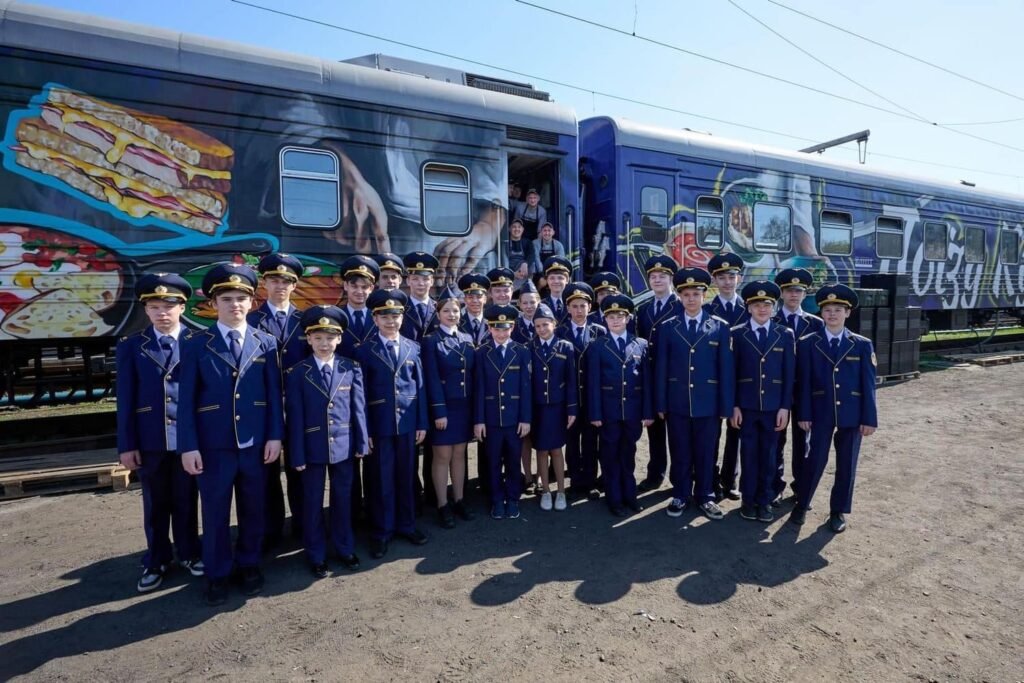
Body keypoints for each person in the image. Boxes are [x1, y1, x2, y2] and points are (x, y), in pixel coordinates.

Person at [178, 263, 284, 606]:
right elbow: (186, 402)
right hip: (213, 447)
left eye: (241, 298)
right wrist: (188, 446)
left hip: (254, 444)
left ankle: (250, 564)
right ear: (213, 303)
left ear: (252, 302)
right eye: (226, 299)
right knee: (215, 513)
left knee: (254, 509)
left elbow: (272, 395)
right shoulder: (196, 343)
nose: (234, 304)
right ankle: (217, 573)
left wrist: (274, 437)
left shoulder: (266, 342)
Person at [116, 273, 202, 593]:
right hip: (151, 440)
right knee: (154, 504)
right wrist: (127, 445)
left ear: (182, 307)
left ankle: (190, 554)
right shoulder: (132, 346)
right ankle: (156, 560)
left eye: (169, 305)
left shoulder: (198, 342)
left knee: (186, 500)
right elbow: (125, 400)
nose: (162, 312)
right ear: (146, 310)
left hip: (187, 441)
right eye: (154, 306)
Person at [285, 306, 368, 578]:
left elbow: (358, 409)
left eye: (330, 338)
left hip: (344, 447)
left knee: (343, 501)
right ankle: (316, 554)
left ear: (340, 339)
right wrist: (295, 454)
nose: (324, 343)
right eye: (318, 338)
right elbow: (294, 418)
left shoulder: (351, 367)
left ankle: (345, 548)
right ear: (308, 339)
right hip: (311, 449)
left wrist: (362, 442)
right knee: (312, 504)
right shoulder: (297, 373)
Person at [791, 284, 878, 534]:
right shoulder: (808, 343)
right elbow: (804, 382)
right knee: (814, 460)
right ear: (820, 312)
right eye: (827, 310)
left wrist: (869, 418)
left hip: (852, 414)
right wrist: (804, 413)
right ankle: (802, 504)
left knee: (846, 464)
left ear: (848, 313)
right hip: (819, 412)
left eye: (838, 310)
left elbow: (868, 384)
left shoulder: (862, 344)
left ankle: (838, 510)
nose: (832, 314)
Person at [654, 267, 734, 521]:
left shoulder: (719, 327)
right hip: (677, 402)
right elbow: (661, 368)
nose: (691, 299)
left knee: (706, 451)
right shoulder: (668, 327)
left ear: (704, 295)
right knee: (680, 451)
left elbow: (725, 370)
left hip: (708, 404)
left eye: (696, 294)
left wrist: (726, 406)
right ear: (679, 296)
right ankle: (680, 494)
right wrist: (661, 402)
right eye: (686, 294)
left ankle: (706, 495)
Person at [354, 289, 429, 558]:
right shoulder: (364, 350)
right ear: (374, 319)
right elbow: (359, 396)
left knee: (407, 476)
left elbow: (420, 388)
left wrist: (422, 422)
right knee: (380, 479)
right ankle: (381, 531)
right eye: (384, 315)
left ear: (402, 317)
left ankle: (407, 525)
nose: (391, 320)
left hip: (407, 424)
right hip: (379, 426)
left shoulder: (412, 347)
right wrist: (365, 432)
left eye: (396, 315)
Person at [248, 252, 306, 549]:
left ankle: (301, 523)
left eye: (286, 281)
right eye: (274, 279)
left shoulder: (306, 320)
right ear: (264, 283)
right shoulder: (250, 320)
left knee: (299, 467)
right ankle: (271, 530)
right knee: (266, 469)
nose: (280, 285)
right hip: (264, 408)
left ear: (294, 285)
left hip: (298, 408)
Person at [729, 281, 795, 524]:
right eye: (756, 304)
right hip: (746, 407)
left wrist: (785, 407)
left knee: (770, 455)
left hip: (773, 408)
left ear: (774, 306)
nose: (762, 309)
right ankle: (748, 501)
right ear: (748, 308)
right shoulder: (737, 334)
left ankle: (765, 501)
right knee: (748, 454)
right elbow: (731, 374)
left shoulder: (784, 334)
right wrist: (734, 405)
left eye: (767, 304)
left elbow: (789, 375)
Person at [586, 294, 653, 517]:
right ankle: (614, 499)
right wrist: (595, 412)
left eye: (620, 316)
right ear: (605, 319)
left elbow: (646, 382)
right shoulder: (597, 346)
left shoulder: (640, 344)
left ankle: (629, 496)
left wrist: (647, 412)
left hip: (632, 412)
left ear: (628, 318)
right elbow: (593, 383)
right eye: (611, 316)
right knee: (609, 454)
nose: (615, 320)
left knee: (629, 454)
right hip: (608, 412)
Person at [422, 286, 476, 528]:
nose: (452, 314)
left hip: (464, 407)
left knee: (459, 455)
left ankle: (460, 499)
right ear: (438, 313)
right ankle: (442, 504)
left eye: (455, 310)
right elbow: (432, 378)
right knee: (442, 455)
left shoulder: (467, 339)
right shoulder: (431, 341)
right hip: (445, 408)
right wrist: (439, 411)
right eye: (447, 310)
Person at [474, 304, 532, 520]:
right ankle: (497, 500)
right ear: (489, 328)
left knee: (513, 460)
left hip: (515, 418)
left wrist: (526, 418)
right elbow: (479, 388)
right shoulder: (481, 352)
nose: (501, 333)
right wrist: (478, 420)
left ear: (512, 327)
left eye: (505, 328)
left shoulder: (522, 351)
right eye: (496, 328)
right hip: (491, 418)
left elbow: (526, 388)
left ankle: (513, 498)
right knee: (493, 461)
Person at [771, 267, 824, 502]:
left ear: (805, 294)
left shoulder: (815, 324)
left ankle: (802, 487)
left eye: (799, 291)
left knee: (804, 441)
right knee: (775, 440)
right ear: (781, 293)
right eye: (789, 290)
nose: (794, 295)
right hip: (778, 390)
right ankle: (775, 486)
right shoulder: (770, 321)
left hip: (806, 392)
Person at [635, 254, 682, 493]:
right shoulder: (643, 309)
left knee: (676, 431)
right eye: (653, 277)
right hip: (651, 377)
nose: (657, 280)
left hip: (674, 377)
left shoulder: (681, 306)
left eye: (662, 276)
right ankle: (656, 472)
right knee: (654, 430)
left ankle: (679, 476)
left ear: (671, 279)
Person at [704, 252, 748, 502]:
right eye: (722, 277)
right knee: (712, 435)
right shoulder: (708, 310)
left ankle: (730, 480)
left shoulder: (750, 308)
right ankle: (709, 480)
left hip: (742, 382)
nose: (728, 281)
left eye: (732, 276)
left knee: (736, 434)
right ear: (714, 281)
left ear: (739, 279)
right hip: (713, 383)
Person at [557, 282, 606, 500]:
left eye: (583, 306)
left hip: (592, 397)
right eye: (574, 306)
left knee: (590, 441)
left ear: (590, 307)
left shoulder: (600, 331)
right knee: (571, 441)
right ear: (568, 308)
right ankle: (575, 480)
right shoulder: (559, 331)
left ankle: (590, 481)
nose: (579, 310)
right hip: (568, 398)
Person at [528, 303, 577, 511]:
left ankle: (561, 492)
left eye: (545, 325)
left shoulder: (565, 347)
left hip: (557, 407)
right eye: (537, 326)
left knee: (556, 450)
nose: (541, 329)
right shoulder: (529, 347)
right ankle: (546, 491)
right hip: (537, 407)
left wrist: (572, 409)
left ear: (554, 324)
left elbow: (571, 380)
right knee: (540, 450)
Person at [513, 280, 540, 492]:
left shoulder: (547, 322)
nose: (529, 306)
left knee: (542, 434)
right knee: (524, 435)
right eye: (525, 302)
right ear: (519, 305)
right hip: (520, 387)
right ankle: (528, 475)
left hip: (542, 388)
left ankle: (540, 476)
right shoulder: (514, 326)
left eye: (533, 301)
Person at [339, 255, 381, 358]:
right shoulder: (337, 317)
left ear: (371, 288)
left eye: (364, 287)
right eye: (354, 286)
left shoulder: (381, 316)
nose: (359, 291)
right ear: (345, 286)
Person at [400, 251, 440, 342]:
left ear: (432, 282)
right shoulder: (400, 308)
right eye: (415, 279)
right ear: (408, 281)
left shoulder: (440, 309)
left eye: (425, 279)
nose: (421, 283)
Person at [457, 272, 491, 347]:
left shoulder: (492, 322)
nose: (475, 301)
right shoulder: (457, 323)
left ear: (485, 299)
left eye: (479, 297)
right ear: (465, 300)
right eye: (470, 297)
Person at [507, 219, 536, 289]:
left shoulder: (527, 242)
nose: (517, 229)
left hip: (522, 270)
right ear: (509, 229)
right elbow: (502, 259)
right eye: (514, 227)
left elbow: (531, 255)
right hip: (508, 270)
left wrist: (525, 263)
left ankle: (528, 286)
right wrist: (512, 273)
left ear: (522, 229)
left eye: (519, 227)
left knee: (532, 264)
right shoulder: (505, 242)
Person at [542, 256, 571, 323]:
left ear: (567, 280)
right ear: (547, 281)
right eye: (552, 278)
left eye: (560, 278)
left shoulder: (573, 304)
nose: (556, 281)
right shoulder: (541, 305)